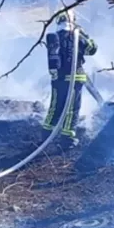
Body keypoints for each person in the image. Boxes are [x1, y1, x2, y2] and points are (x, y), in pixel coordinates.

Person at [43, 10, 97, 140]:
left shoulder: (54, 37)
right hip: (75, 77)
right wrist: (84, 33)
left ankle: (47, 132)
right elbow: (92, 49)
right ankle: (67, 137)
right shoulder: (78, 37)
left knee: (55, 106)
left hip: (58, 79)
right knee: (72, 108)